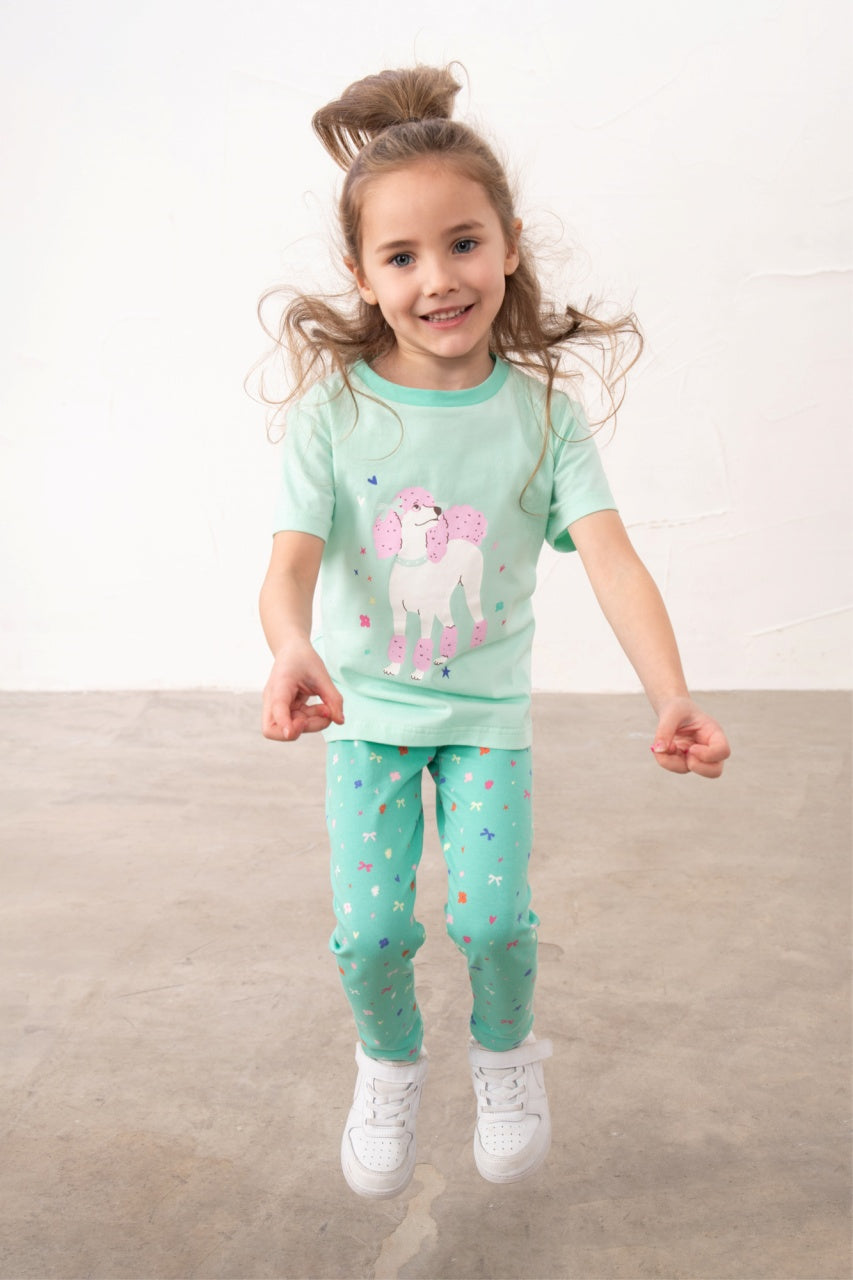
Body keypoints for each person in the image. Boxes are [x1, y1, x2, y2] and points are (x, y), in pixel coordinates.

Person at [256, 64, 730, 1200]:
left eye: (462, 243)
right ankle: (388, 1064)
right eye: (401, 256)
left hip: (484, 722)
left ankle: (507, 1057)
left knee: (493, 920)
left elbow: (611, 557)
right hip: (365, 717)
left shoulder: (543, 416)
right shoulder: (334, 412)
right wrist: (289, 644)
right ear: (363, 275)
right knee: (371, 934)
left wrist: (669, 692)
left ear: (509, 246)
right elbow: (290, 564)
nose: (437, 279)